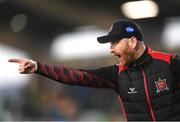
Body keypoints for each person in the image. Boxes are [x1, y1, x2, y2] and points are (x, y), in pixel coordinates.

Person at [8, 20, 180, 121]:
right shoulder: (116, 75)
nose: (110, 49)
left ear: (132, 42)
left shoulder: (170, 63)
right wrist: (38, 67)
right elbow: (75, 76)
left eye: (114, 43)